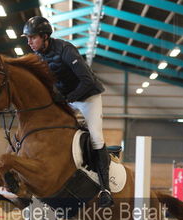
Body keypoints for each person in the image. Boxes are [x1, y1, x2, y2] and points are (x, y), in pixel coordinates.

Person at [22, 16, 114, 208]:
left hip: (88, 98)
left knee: (96, 137)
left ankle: (106, 190)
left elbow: (87, 80)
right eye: (28, 38)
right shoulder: (38, 56)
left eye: (33, 37)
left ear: (45, 36)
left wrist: (67, 98)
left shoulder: (65, 49)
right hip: (67, 98)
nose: (29, 42)